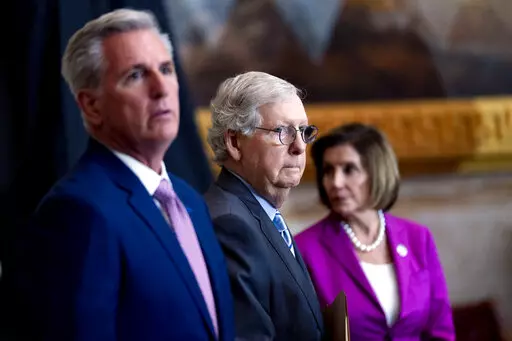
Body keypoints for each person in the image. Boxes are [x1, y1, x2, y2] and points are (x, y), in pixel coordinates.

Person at [16, 9, 234, 341]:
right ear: (91, 106)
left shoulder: (189, 199)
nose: (161, 89)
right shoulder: (78, 212)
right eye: (135, 75)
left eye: (166, 69)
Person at [295, 123, 456, 341]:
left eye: (349, 169)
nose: (336, 182)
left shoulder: (417, 238)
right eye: (328, 171)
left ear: (376, 173)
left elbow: (440, 330)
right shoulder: (305, 249)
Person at [203, 71, 324, 341]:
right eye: (282, 131)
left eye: (304, 131)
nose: (299, 147)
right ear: (234, 142)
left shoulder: (259, 213)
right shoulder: (229, 224)